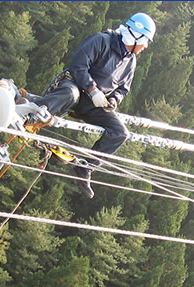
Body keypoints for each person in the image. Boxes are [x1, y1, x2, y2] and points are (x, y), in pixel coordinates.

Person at [25, 12, 156, 199]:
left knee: (120, 133)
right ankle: (31, 115)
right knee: (69, 94)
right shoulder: (102, 41)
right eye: (145, 41)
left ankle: (85, 168)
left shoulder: (130, 61)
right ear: (135, 36)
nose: (145, 47)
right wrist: (93, 89)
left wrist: (113, 101)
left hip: (95, 104)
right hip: (75, 86)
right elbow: (78, 65)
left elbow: (123, 89)